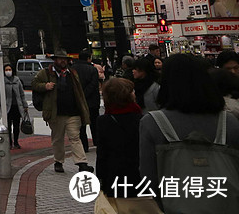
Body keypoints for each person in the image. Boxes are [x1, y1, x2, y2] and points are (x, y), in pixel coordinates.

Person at [139, 54, 239, 199]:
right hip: (225, 202)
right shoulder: (228, 121)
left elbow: (149, 177)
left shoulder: (152, 122)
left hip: (175, 203)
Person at [95, 77, 161, 214]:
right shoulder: (144, 119)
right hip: (142, 180)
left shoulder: (103, 121)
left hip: (116, 182)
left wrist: (101, 180)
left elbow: (102, 155)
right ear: (128, 95)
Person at [32, 48, 92, 173]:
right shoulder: (46, 73)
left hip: (73, 112)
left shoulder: (72, 73)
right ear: (55, 60)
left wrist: (82, 108)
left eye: (64, 59)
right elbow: (34, 84)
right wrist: (45, 86)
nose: (63, 61)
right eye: (60, 59)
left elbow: (79, 91)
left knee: (75, 137)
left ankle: (82, 163)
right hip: (56, 112)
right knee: (58, 139)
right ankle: (58, 161)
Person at [0, 62, 29, 148]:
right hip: (6, 107)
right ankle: (9, 142)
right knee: (7, 126)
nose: (8, 71)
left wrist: (25, 105)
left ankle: (16, 142)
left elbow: (22, 94)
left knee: (16, 125)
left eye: (9, 69)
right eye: (6, 70)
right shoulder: (2, 81)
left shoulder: (17, 80)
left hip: (17, 107)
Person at [73, 48, 102, 151]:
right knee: (94, 123)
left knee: (81, 126)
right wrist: (85, 94)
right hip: (92, 101)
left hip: (78, 101)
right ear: (88, 58)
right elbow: (94, 84)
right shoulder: (92, 69)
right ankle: (97, 142)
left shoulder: (72, 69)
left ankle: (84, 146)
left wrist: (80, 95)